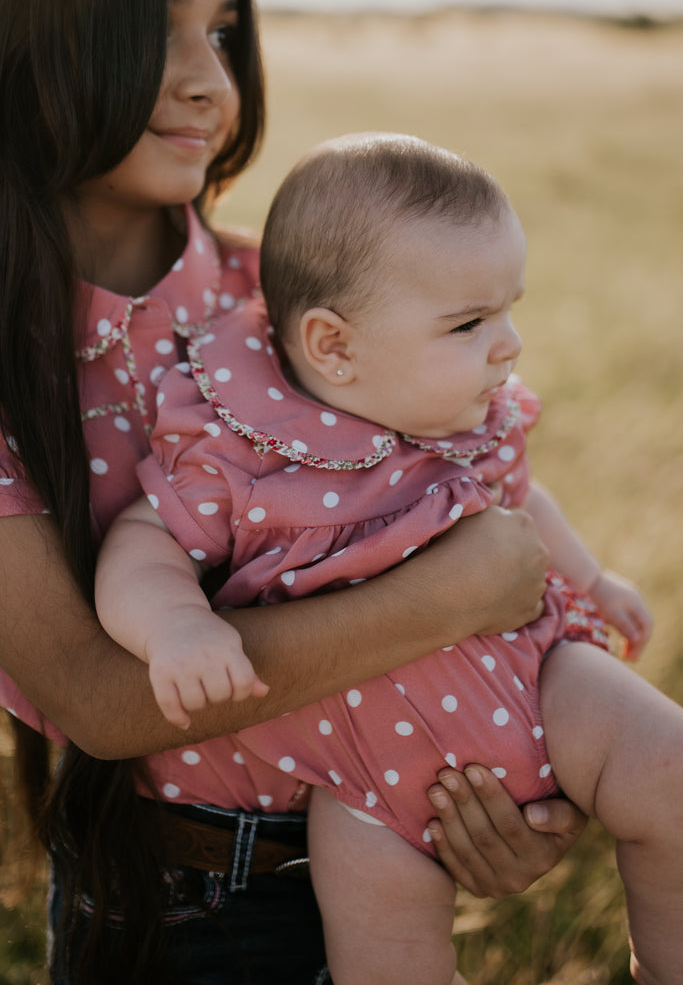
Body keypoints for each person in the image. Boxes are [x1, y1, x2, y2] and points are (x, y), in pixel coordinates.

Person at [0, 0, 591, 982]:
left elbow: (460, 485)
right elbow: (101, 698)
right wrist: (446, 597)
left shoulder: (290, 298)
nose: (207, 83)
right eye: (153, 32)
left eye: (225, 34)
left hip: (385, 854)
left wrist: (523, 793)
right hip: (173, 910)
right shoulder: (14, 363)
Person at [95, 132, 682, 985]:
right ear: (334, 347)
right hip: (355, 766)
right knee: (385, 946)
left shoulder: (470, 417)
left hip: (532, 679)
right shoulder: (242, 447)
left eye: (508, 309)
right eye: (469, 323)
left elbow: (522, 498)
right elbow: (141, 539)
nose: (508, 344)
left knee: (667, 764)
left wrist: (591, 579)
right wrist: (177, 625)